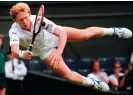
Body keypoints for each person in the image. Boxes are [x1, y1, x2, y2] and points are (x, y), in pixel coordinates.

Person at [8, 2, 132, 92]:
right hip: (44, 51)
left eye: (26, 17)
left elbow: (61, 34)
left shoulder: (39, 20)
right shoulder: (14, 31)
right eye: (20, 20)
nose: (24, 22)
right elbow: (14, 51)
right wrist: (21, 54)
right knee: (68, 76)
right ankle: (92, 82)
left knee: (85, 34)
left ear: (29, 14)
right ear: (15, 20)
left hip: (54, 37)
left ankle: (114, 30)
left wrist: (58, 51)